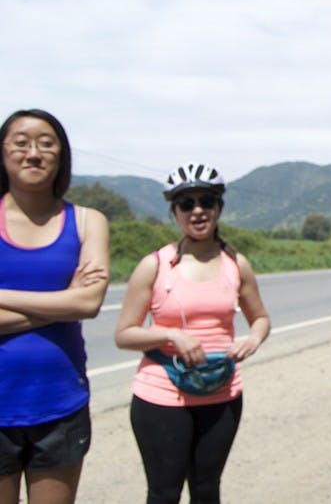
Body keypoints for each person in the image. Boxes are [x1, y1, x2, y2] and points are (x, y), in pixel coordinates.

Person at [114, 162, 270, 504]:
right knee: (164, 492)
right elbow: (124, 334)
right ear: (175, 213)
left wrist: (253, 339)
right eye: (186, 204)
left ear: (219, 208)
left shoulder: (236, 264)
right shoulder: (155, 265)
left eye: (206, 202)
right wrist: (171, 335)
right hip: (161, 394)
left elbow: (260, 318)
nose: (197, 210)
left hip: (222, 392)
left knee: (206, 489)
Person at [0, 109, 110, 504]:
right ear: (2, 153)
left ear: (61, 156)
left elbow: (90, 301)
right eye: (21, 143)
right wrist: (64, 302)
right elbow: (76, 303)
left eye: (46, 144)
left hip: (61, 404)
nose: (33, 153)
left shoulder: (87, 221)